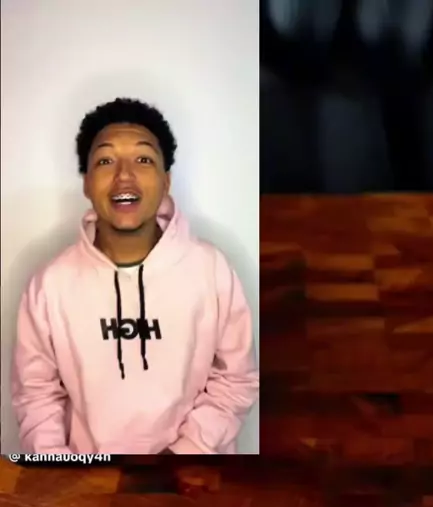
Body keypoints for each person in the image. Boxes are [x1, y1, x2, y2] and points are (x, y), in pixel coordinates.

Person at [11, 97, 258, 455]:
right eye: (105, 160)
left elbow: (236, 381)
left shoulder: (212, 269)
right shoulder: (49, 285)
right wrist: (66, 474)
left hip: (193, 477)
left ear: (166, 180)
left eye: (143, 159)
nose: (124, 175)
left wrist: (183, 455)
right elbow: (36, 396)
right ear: (86, 183)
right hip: (87, 483)